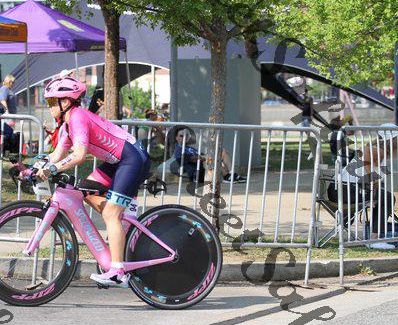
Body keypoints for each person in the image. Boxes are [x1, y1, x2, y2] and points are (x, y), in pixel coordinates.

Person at [35, 76, 151, 288]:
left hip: (132, 159)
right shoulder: (68, 124)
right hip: (118, 161)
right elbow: (57, 154)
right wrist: (32, 167)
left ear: (66, 101)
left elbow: (79, 155)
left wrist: (53, 169)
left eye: (52, 101)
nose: (49, 106)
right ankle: (121, 224)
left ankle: (118, 273)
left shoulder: (78, 116)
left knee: (110, 214)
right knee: (84, 191)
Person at [326, 123, 398, 249]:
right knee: (387, 198)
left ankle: (371, 236)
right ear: (392, 139)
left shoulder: (377, 150)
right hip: (345, 190)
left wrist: (374, 184)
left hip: (342, 190)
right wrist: (373, 181)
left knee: (383, 196)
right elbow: (367, 160)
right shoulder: (376, 150)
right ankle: (374, 239)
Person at [173, 128, 246, 183]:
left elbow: (202, 156)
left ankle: (232, 174)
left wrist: (208, 156)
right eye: (182, 135)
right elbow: (193, 159)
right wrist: (207, 157)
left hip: (205, 168)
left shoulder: (189, 148)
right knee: (211, 159)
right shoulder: (179, 150)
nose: (185, 137)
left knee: (222, 151)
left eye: (186, 135)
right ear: (177, 138)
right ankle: (227, 176)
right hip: (197, 174)